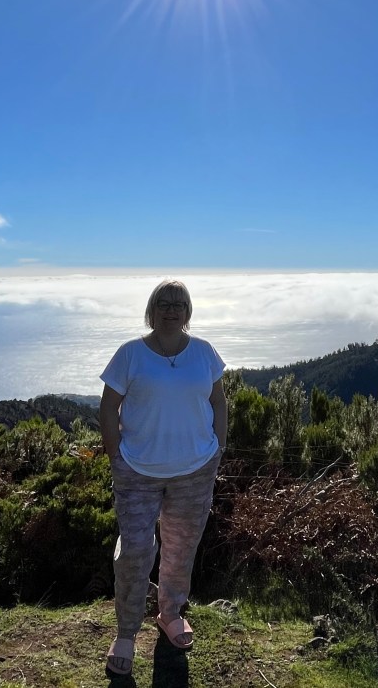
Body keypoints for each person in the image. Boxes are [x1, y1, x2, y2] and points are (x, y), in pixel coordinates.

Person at [98, 278, 227, 678]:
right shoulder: (131, 354)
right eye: (164, 302)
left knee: (179, 550)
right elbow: (108, 408)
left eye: (180, 303)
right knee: (136, 551)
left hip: (195, 470)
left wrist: (217, 449)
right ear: (151, 310)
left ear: (188, 312)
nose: (172, 309)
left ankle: (170, 613)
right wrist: (116, 456)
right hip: (137, 471)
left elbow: (219, 402)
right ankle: (125, 632)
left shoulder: (204, 353)